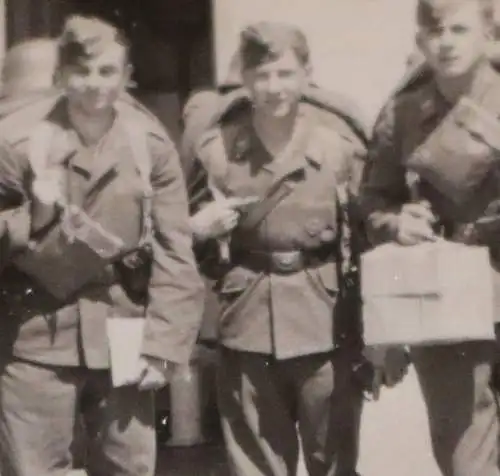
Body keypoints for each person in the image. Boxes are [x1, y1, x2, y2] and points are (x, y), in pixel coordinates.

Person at [0, 15, 203, 476]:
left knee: (128, 468)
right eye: (81, 71)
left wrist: (164, 344)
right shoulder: (14, 143)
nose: (94, 85)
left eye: (107, 71)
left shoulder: (148, 146)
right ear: (59, 77)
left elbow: (176, 252)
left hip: (123, 331)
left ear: (127, 77)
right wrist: (34, 212)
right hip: (35, 334)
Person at [194, 21, 367, 476]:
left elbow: (367, 242)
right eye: (263, 75)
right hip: (246, 319)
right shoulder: (217, 151)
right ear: (246, 78)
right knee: (254, 463)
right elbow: (184, 241)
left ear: (307, 75)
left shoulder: (339, 150)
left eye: (286, 74)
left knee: (333, 461)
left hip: (326, 320)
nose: (274, 88)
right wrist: (200, 228)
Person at [360, 1, 500, 475]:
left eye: (461, 29)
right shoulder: (401, 113)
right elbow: (373, 200)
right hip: (447, 290)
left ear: (488, 34)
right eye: (435, 30)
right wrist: (397, 222)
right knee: (464, 457)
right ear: (421, 39)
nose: (447, 41)